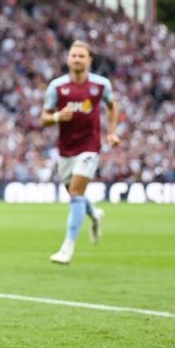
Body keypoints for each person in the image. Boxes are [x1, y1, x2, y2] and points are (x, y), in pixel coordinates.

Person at [41, 40, 120, 265]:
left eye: (81, 56)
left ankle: (67, 247)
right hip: (66, 149)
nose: (77, 59)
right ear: (68, 59)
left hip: (89, 147)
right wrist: (57, 117)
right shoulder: (57, 87)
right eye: (73, 55)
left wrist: (112, 133)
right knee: (75, 193)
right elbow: (44, 118)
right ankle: (94, 214)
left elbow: (112, 106)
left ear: (89, 61)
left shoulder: (100, 85)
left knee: (75, 191)